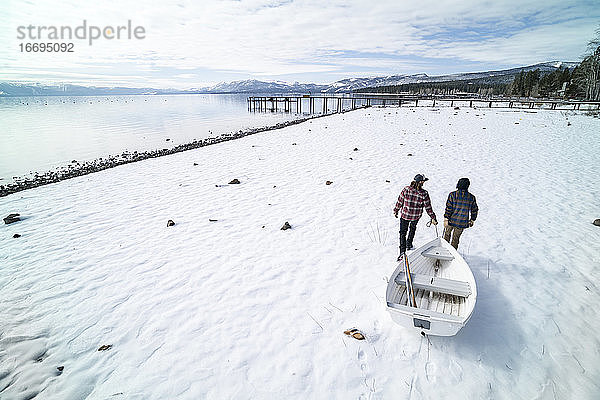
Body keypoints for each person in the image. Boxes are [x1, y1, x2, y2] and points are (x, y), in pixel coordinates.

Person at [393, 174, 438, 260]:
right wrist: (433, 217)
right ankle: (409, 244)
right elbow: (428, 207)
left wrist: (396, 210)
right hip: (415, 216)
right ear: (421, 182)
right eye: (424, 181)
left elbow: (400, 201)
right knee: (412, 228)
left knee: (403, 232)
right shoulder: (424, 193)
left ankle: (402, 251)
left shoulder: (406, 189)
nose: (424, 183)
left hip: (405, 215)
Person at [443, 178, 478, 249]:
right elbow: (474, 209)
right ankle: (452, 254)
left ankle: (443, 250)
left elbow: (448, 208)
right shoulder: (471, 197)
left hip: (450, 220)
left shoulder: (452, 195)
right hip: (462, 222)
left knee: (446, 235)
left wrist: (446, 219)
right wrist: (472, 220)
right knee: (455, 239)